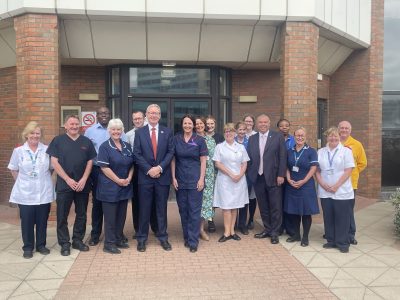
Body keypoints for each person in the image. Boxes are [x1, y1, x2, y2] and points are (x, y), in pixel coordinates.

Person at [47, 115, 97, 256]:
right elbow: (54, 162)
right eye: (71, 124)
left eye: (76, 124)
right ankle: (64, 243)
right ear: (65, 126)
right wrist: (68, 179)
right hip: (64, 184)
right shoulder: (58, 141)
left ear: (79, 126)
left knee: (81, 214)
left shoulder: (86, 142)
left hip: (82, 185)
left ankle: (77, 240)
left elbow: (90, 161)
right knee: (62, 215)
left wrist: (84, 179)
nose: (74, 126)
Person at [8, 122, 54, 259]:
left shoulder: (47, 150)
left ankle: (41, 245)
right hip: (25, 193)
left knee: (42, 220)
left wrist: (41, 180)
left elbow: (51, 168)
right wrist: (23, 182)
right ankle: (28, 247)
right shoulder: (18, 151)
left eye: (37, 133)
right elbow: (13, 169)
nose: (35, 136)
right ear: (26, 135)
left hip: (43, 191)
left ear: (41, 135)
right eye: (32, 133)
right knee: (27, 221)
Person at [133, 104, 174, 252]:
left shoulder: (167, 132)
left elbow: (170, 152)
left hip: (162, 178)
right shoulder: (140, 132)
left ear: (160, 115)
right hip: (145, 178)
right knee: (144, 209)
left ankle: (163, 237)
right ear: (146, 115)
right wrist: (149, 169)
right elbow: (136, 154)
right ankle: (142, 239)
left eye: (156, 113)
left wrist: (160, 168)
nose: (153, 115)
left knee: (161, 209)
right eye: (151, 113)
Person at [247, 114, 287, 244]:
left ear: (269, 123)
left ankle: (275, 232)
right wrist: (250, 173)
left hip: (274, 177)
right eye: (260, 122)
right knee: (263, 206)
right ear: (256, 124)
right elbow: (249, 158)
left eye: (265, 122)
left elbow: (283, 157)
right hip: (258, 178)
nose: (263, 124)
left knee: (275, 205)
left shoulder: (277, 137)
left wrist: (281, 174)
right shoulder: (252, 138)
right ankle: (267, 228)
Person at [97, 119, 134, 254]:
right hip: (109, 188)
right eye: (113, 129)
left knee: (121, 216)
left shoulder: (127, 146)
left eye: (118, 129)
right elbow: (104, 167)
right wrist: (118, 180)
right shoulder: (104, 147)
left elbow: (132, 165)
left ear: (122, 130)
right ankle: (109, 243)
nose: (116, 132)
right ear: (109, 131)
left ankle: (118, 238)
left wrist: (129, 177)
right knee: (110, 217)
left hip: (124, 186)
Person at [316, 127, 355, 253]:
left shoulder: (346, 151)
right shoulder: (320, 151)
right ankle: (331, 240)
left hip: (342, 190)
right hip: (325, 190)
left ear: (340, 137)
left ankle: (342, 242)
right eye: (330, 136)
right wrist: (322, 183)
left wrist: (337, 185)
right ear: (326, 137)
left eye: (336, 136)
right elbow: (316, 170)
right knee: (328, 216)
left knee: (342, 217)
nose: (333, 138)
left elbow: (348, 170)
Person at [172, 115, 207, 252]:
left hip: (195, 179)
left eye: (190, 123)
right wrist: (173, 178)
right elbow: (173, 160)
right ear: (182, 125)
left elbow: (203, 160)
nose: (187, 125)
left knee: (194, 210)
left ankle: (193, 241)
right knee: (183, 210)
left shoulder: (199, 140)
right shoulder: (176, 139)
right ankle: (187, 237)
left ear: (193, 125)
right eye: (185, 123)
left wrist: (201, 179)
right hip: (180, 180)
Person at [84, 107, 117, 246]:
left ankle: (115, 234)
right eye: (101, 113)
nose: (104, 115)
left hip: (114, 171)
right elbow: (85, 152)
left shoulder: (116, 129)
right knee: (97, 203)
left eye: (106, 113)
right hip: (97, 171)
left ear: (110, 115)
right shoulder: (89, 131)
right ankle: (95, 234)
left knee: (114, 203)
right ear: (96, 115)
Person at [213, 123, 250, 242]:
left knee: (235, 206)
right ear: (224, 134)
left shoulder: (241, 147)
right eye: (226, 131)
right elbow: (217, 163)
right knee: (226, 207)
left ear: (235, 133)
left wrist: (240, 175)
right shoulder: (219, 147)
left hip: (239, 180)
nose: (228, 133)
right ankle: (226, 232)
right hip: (225, 180)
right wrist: (231, 174)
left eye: (231, 131)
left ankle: (233, 231)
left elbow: (245, 163)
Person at [284, 127, 319, 247]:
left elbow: (313, 168)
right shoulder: (289, 151)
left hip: (306, 186)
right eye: (297, 135)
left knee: (305, 212)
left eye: (302, 135)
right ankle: (296, 235)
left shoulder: (311, 151)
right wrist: (288, 179)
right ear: (294, 137)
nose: (299, 137)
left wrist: (303, 181)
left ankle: (305, 237)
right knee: (294, 211)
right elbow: (286, 167)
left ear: (306, 137)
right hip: (292, 185)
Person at [126, 110, 158, 239]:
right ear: (133, 121)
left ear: (144, 118)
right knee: (137, 202)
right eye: (135, 119)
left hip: (152, 170)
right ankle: (138, 228)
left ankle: (155, 227)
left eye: (139, 118)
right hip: (136, 171)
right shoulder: (128, 135)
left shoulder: (150, 131)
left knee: (154, 201)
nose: (138, 121)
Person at [338, 121, 367, 245]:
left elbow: (363, 163)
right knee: (336, 209)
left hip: (350, 184)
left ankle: (350, 234)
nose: (344, 130)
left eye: (346, 128)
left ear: (350, 130)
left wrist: (352, 173)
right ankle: (335, 232)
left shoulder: (356, 144)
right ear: (338, 129)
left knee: (348, 210)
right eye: (342, 128)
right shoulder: (333, 142)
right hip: (335, 183)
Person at [195, 116, 216, 242]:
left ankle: (201, 229)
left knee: (205, 203)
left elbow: (214, 158)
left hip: (208, 175)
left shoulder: (210, 140)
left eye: (201, 123)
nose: (199, 126)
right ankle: (192, 228)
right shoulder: (190, 139)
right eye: (196, 124)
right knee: (194, 202)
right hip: (193, 173)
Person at [205, 115, 224, 233]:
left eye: (212, 124)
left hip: (216, 170)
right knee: (205, 196)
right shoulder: (200, 136)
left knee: (212, 196)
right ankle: (204, 218)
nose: (210, 126)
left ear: (215, 125)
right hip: (204, 170)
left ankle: (210, 219)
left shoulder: (219, 137)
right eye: (208, 124)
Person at [277, 118, 296, 236]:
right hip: (277, 175)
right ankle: (279, 226)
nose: (284, 127)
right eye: (281, 126)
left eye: (286, 125)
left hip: (291, 175)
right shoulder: (273, 138)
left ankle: (290, 227)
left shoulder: (294, 140)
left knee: (289, 202)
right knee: (278, 202)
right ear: (278, 127)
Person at [234, 121, 250, 235]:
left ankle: (242, 224)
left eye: (244, 130)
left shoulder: (250, 142)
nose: (242, 132)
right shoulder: (231, 142)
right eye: (240, 129)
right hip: (233, 175)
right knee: (234, 199)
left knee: (244, 200)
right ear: (236, 130)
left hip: (246, 174)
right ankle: (233, 223)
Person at [242, 114, 257, 230]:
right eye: (246, 121)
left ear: (253, 123)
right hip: (241, 171)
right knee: (242, 196)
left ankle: (251, 219)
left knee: (252, 196)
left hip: (252, 170)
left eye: (250, 121)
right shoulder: (240, 135)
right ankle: (240, 221)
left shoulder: (256, 136)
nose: (248, 123)